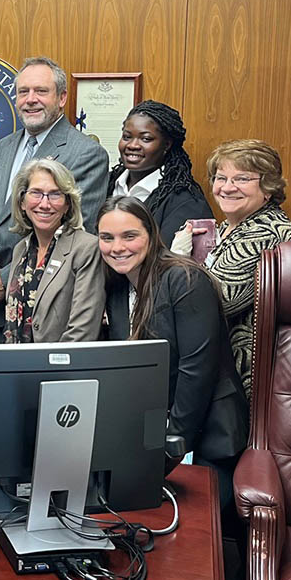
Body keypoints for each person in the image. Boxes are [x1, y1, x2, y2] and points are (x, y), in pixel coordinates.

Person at [98, 196, 248, 506]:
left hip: (205, 433)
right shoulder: (117, 286)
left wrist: (169, 449)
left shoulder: (184, 279)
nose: (117, 247)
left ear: (151, 236)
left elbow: (197, 372)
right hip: (151, 432)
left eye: (130, 236)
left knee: (192, 539)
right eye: (107, 238)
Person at [0, 56, 110, 341]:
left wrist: (7, 276)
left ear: (62, 97)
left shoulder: (87, 154)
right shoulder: (1, 148)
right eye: (23, 91)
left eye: (40, 91)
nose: (30, 99)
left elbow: (75, 232)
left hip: (46, 306)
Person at [171, 139, 291, 399]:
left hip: (242, 378)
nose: (227, 188)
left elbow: (220, 300)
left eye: (241, 179)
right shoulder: (224, 228)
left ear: (267, 187)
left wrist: (177, 259)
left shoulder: (266, 231)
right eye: (221, 178)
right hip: (215, 369)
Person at [2, 159, 103, 343]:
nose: (45, 204)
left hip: (62, 367)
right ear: (22, 201)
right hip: (18, 365)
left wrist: (52, 368)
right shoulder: (20, 250)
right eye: (36, 193)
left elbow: (83, 330)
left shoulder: (86, 248)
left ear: (67, 204)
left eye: (55, 195)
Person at [108, 100, 212, 245]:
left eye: (146, 139)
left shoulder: (187, 202)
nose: (132, 145)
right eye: (127, 137)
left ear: (167, 145)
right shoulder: (106, 184)